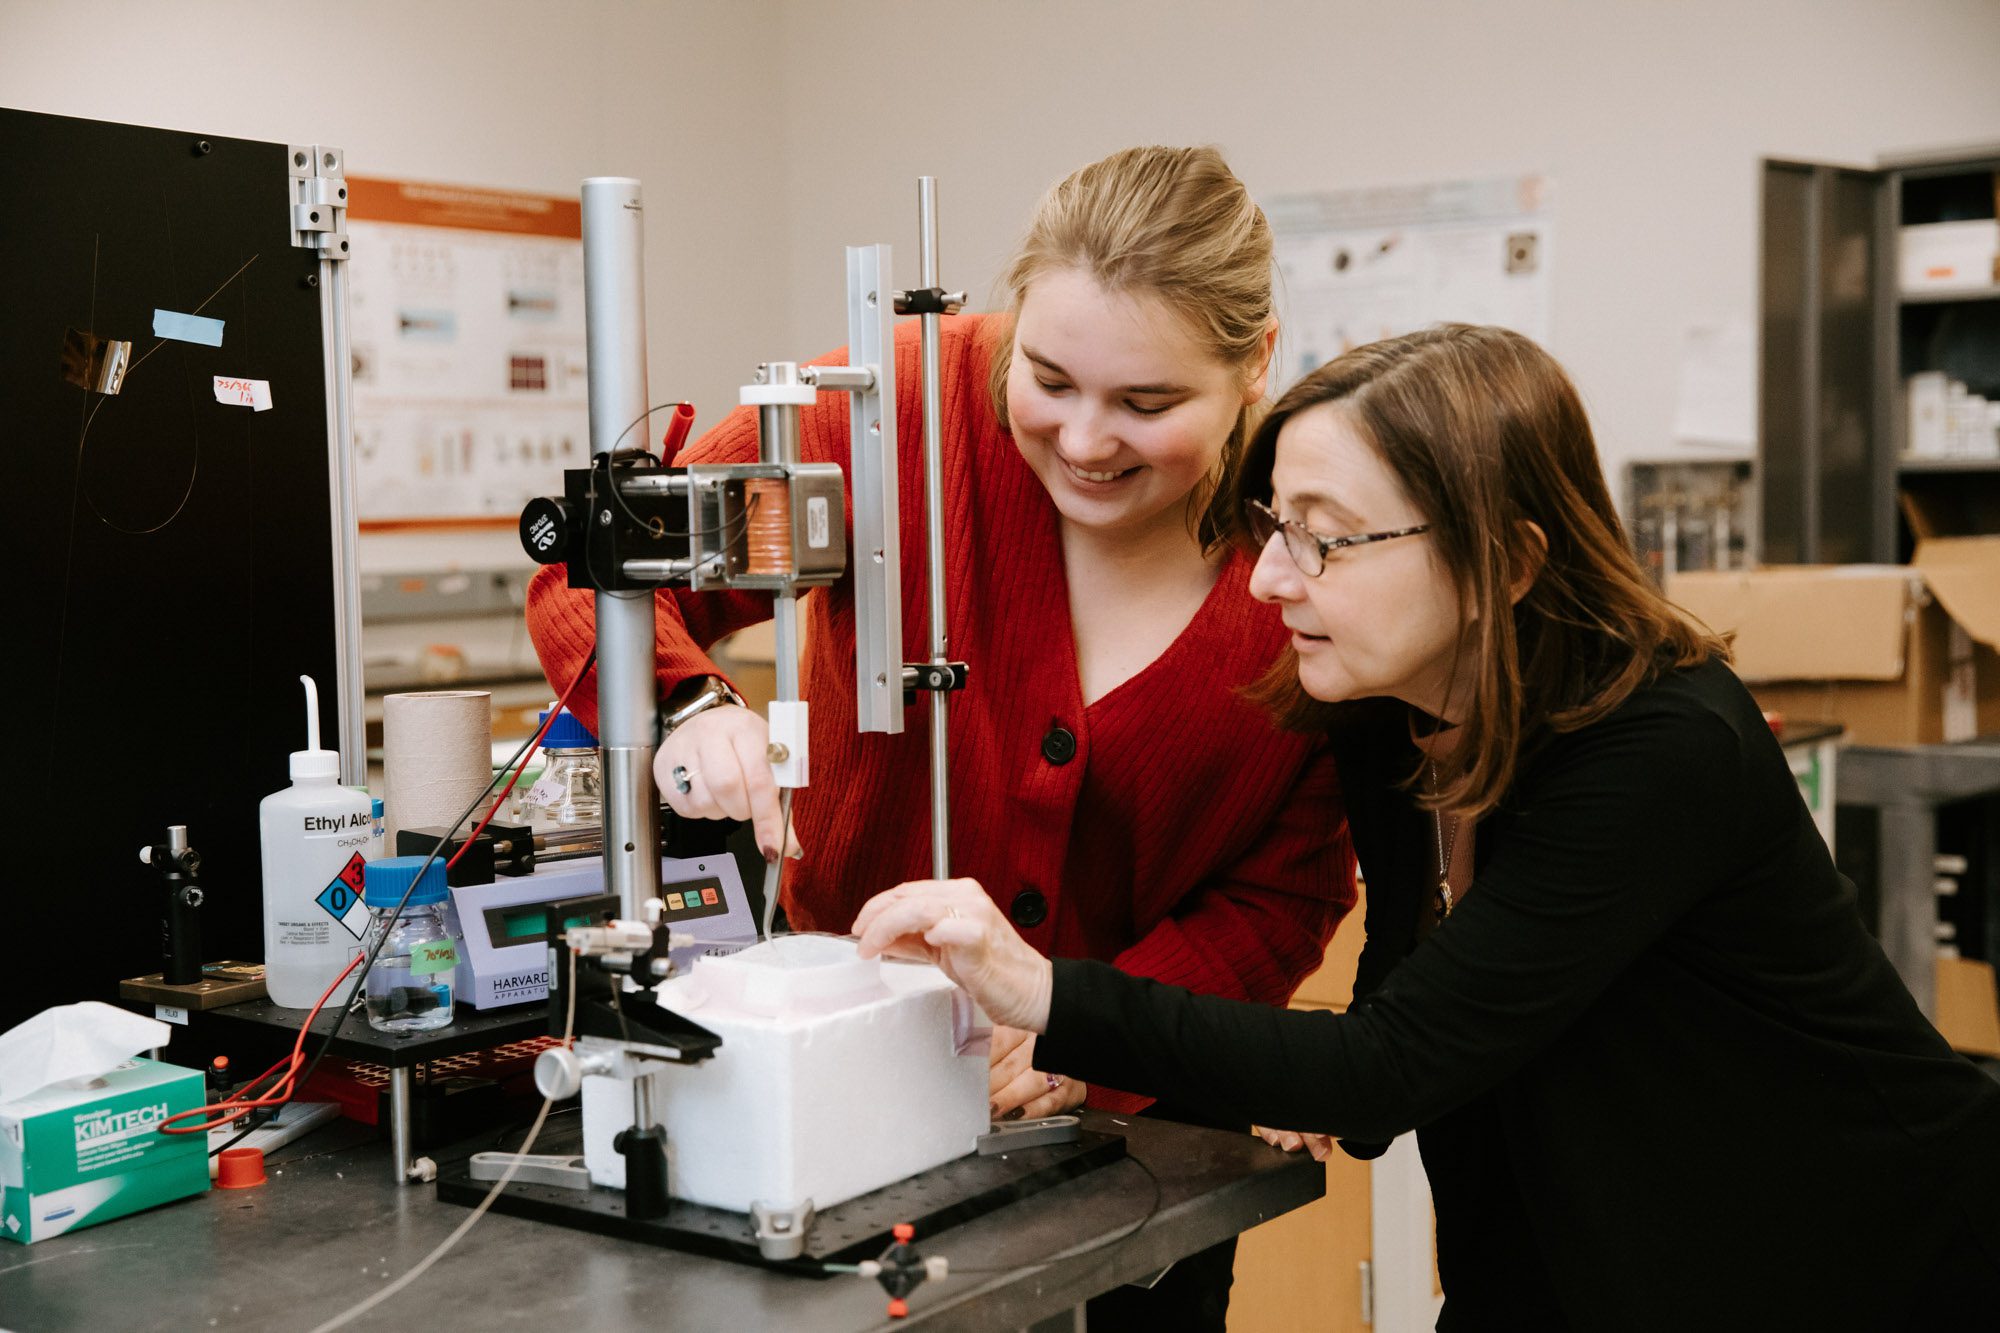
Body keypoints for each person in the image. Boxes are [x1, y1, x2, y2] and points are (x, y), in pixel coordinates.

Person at [854, 323, 2000, 1331]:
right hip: (1567, 1254)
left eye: (1322, 537)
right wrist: (1308, 1077)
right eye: (1269, 526)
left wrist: (1039, 991)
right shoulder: (1389, 712)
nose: (1265, 581)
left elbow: (1384, 1066)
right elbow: (1412, 1019)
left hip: (1853, 1258)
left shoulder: (1658, 749)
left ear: (1503, 561)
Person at [526, 146, 1356, 1328]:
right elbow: (589, 575)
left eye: (1146, 403)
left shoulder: (1301, 559)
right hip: (841, 1112)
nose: (1081, 441)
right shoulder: (880, 407)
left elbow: (1282, 894)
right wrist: (685, 705)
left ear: (1255, 360)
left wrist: (1086, 1028)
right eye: (1050, 378)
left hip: (1137, 1138)